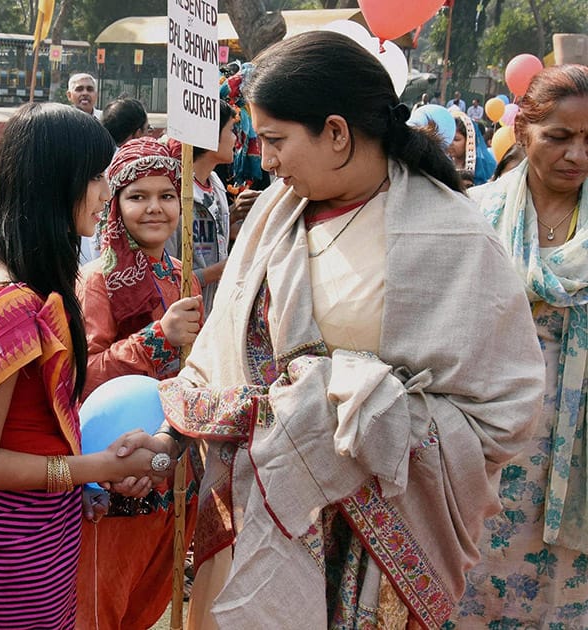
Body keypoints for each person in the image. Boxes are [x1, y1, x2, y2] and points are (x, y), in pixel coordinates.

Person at [120, 31, 545, 629]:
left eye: (275, 141)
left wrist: (369, 415)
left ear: (337, 133)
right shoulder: (276, 213)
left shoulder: (455, 238)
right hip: (257, 519)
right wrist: (173, 439)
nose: (264, 161)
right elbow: (222, 351)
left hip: (374, 552)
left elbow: (507, 410)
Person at [0, 102, 161, 629]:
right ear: (56, 181)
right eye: (96, 178)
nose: (106, 195)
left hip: (38, 514)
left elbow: (35, 424)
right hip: (10, 529)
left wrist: (79, 482)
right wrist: (98, 469)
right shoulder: (10, 302)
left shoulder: (31, 282)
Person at [451, 63, 588, 629]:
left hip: (576, 453)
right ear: (523, 130)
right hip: (487, 445)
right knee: (472, 590)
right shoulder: (472, 216)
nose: (577, 154)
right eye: (559, 136)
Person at [74, 136, 203, 629]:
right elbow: (82, 377)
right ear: (115, 203)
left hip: (171, 468)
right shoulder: (96, 281)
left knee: (146, 605)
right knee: (100, 606)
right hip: (115, 470)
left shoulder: (185, 277)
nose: (154, 208)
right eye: (138, 196)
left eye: (166, 195)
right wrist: (157, 336)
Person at [165, 99, 235, 312]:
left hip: (214, 311)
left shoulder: (215, 183)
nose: (235, 139)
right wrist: (220, 271)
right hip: (183, 316)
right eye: (231, 130)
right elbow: (163, 274)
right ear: (210, 135)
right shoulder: (173, 192)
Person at [448, 110, 496, 187]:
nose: (450, 143)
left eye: (456, 139)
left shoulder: (485, 167)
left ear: (469, 141)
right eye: (449, 138)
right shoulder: (443, 164)